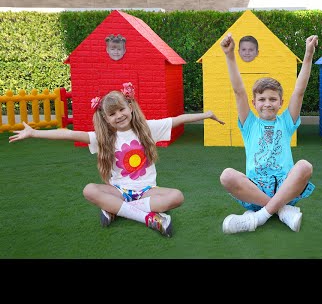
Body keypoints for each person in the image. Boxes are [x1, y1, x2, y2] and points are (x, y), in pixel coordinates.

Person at [9, 82, 225, 238]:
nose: (119, 115)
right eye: (112, 114)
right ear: (106, 118)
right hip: (119, 191)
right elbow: (69, 134)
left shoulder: (148, 129)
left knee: (176, 197)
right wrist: (34, 133)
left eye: (122, 109)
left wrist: (206, 115)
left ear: (130, 107)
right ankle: (148, 217)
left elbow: (178, 119)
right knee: (89, 190)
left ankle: (115, 209)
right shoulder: (103, 138)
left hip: (147, 190)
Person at [219, 33, 318, 234]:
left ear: (281, 103)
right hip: (254, 191)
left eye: (273, 99)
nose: (267, 103)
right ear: (254, 103)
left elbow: (299, 91)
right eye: (262, 99)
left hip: (285, 188)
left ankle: (258, 218)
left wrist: (308, 55)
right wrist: (230, 55)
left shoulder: (286, 121)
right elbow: (239, 91)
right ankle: (281, 210)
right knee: (227, 176)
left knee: (304, 166)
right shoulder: (249, 124)